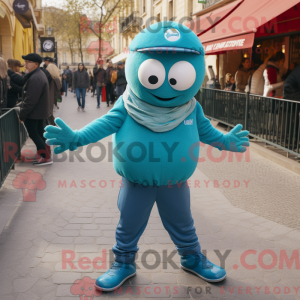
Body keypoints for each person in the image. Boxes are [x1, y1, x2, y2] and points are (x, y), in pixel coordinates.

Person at [44, 22, 250, 291]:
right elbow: (105, 124)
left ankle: (191, 258)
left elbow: (208, 132)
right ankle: (123, 263)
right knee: (128, 225)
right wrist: (77, 138)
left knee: (183, 223)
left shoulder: (191, 108)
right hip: (136, 182)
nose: (165, 84)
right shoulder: (128, 103)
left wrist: (226, 142)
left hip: (175, 184)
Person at [19, 53, 52, 166]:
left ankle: (45, 157)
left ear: (36, 64)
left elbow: (30, 100)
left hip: (35, 112)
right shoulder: (37, 75)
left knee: (34, 134)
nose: (25, 64)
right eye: (25, 61)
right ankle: (44, 155)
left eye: (28, 62)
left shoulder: (36, 77)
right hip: (38, 111)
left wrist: (22, 115)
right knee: (39, 133)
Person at [46, 60, 62, 125]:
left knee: (48, 113)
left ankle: (52, 125)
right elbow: (59, 87)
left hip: (47, 97)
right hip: (53, 98)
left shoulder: (47, 78)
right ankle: (53, 124)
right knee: (50, 112)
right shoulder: (57, 79)